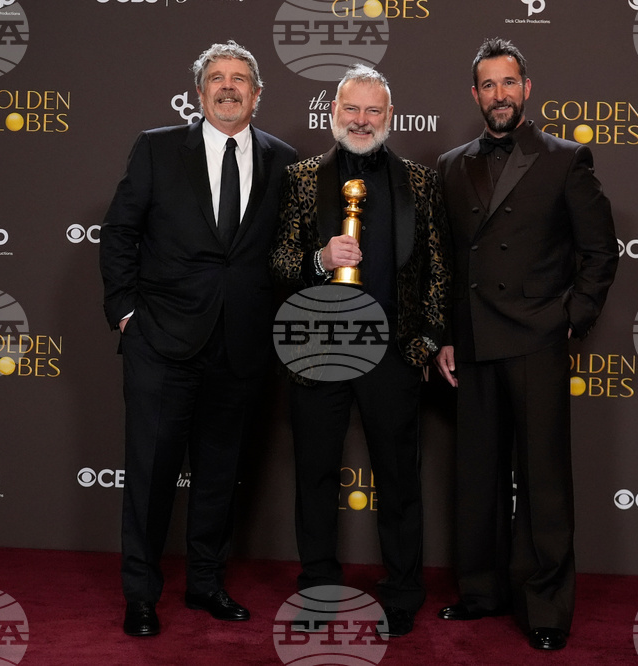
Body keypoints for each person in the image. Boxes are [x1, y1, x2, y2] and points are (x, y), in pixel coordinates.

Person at [99, 40, 297, 637]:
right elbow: (119, 233)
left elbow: (284, 254)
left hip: (240, 346)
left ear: (258, 95)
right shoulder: (158, 149)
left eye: (240, 79)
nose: (229, 87)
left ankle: (207, 584)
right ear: (199, 91)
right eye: (217, 78)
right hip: (161, 342)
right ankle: (141, 594)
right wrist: (126, 314)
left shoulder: (285, 161)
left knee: (218, 475)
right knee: (151, 475)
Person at [434, 38, 618, 651]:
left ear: (527, 89)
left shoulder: (566, 159)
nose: (500, 95)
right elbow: (452, 262)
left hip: (537, 336)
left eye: (509, 83)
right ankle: (481, 591)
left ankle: (545, 607)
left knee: (542, 480)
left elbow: (599, 251)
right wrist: (448, 338)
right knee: (477, 475)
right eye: (488, 85)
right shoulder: (452, 164)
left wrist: (573, 318)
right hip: (475, 341)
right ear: (475, 95)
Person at [270, 65, 450, 638]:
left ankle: (402, 592)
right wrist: (320, 260)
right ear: (333, 114)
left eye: (374, 111)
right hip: (318, 348)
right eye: (352, 109)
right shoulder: (300, 179)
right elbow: (275, 264)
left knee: (399, 478)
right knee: (316, 476)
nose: (362, 120)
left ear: (390, 118)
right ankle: (318, 589)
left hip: (393, 351)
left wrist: (422, 344)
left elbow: (439, 271)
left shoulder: (420, 183)